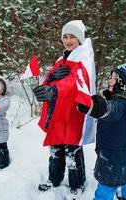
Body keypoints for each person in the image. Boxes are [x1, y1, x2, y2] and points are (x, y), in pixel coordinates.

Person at [33, 20, 96, 198]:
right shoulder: (62, 59)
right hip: (58, 111)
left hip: (73, 111)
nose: (68, 40)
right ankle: (54, 178)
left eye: (72, 37)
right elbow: (53, 79)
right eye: (65, 37)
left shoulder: (83, 58)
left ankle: (77, 182)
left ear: (80, 39)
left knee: (72, 150)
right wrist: (50, 78)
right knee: (55, 148)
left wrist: (54, 90)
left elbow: (75, 81)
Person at [76, 63, 126, 200]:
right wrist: (111, 96)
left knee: (106, 187)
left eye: (114, 78)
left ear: (123, 84)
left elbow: (108, 109)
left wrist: (92, 106)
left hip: (112, 160)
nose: (110, 80)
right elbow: (118, 109)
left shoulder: (120, 107)